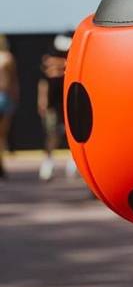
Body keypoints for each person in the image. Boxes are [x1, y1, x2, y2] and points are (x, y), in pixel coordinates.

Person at [37, 33, 76, 181]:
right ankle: (48, 163)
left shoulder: (74, 57)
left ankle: (74, 162)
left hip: (69, 102)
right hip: (53, 104)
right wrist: (42, 101)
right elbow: (43, 83)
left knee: (71, 134)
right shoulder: (48, 60)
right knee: (52, 133)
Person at [0, 35, 20, 178]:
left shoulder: (8, 57)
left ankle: (1, 164)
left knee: (2, 134)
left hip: (5, 97)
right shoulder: (7, 58)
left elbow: (13, 79)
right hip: (5, 96)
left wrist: (15, 96)